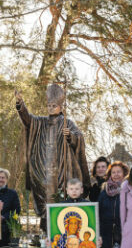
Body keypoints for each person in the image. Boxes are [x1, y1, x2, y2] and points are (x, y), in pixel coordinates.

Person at [15, 85, 91, 230]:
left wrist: (71, 136)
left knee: (62, 202)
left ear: (60, 106)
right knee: (45, 204)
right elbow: (27, 120)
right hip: (43, 173)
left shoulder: (67, 122)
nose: (50, 108)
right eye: (49, 105)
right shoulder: (41, 122)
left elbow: (79, 139)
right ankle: (45, 233)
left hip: (62, 171)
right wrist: (21, 104)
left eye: (54, 105)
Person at [0, 168, 21, 247]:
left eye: (3, 177)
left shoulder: (12, 193)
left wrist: (4, 217)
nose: (0, 179)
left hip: (7, 230)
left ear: (7, 179)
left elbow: (17, 210)